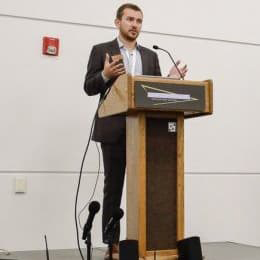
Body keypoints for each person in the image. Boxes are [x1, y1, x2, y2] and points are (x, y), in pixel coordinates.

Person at [84, 3, 187, 259]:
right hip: (114, 129)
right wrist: (106, 75)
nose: (134, 25)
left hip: (146, 131)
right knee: (114, 187)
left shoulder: (151, 56)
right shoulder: (101, 50)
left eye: (139, 21)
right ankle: (113, 244)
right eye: (130, 19)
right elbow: (88, 86)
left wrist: (170, 81)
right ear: (117, 22)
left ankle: (150, 240)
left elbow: (155, 93)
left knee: (151, 187)